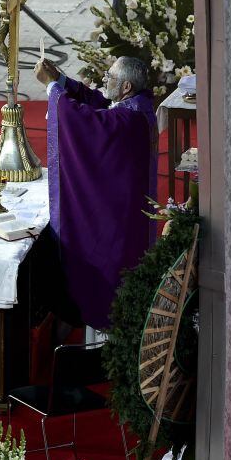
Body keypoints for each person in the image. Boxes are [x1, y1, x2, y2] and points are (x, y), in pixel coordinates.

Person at [34, 56, 158, 331]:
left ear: (126, 87)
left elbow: (88, 122)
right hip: (127, 211)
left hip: (119, 223)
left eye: (110, 77)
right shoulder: (137, 106)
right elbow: (99, 103)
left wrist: (52, 88)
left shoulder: (128, 120)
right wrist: (61, 80)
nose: (104, 79)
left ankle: (109, 335)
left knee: (111, 282)